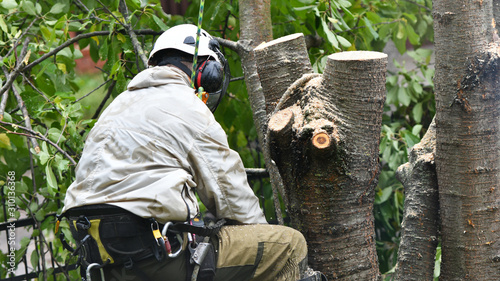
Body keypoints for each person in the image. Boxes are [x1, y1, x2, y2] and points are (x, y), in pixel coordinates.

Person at [61, 24, 325, 281]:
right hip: (159, 257)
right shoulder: (189, 107)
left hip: (101, 261)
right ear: (206, 70)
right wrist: (265, 239)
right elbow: (233, 198)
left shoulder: (118, 105)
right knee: (288, 246)